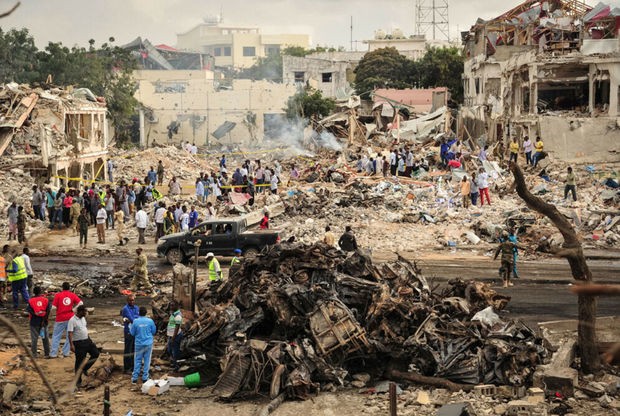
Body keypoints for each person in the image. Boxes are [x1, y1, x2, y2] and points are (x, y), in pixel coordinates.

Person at [68, 305, 100, 387]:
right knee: (79, 361)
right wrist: (71, 345)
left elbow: (84, 329)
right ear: (80, 311)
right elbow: (70, 333)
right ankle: (78, 381)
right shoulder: (72, 320)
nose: (85, 313)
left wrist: (89, 339)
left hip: (87, 340)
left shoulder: (83, 318)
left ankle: (85, 368)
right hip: (79, 343)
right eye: (84, 312)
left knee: (95, 353)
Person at [50, 282, 82, 358]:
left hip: (60, 318)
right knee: (69, 336)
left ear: (62, 287)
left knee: (56, 336)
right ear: (69, 288)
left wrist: (51, 312)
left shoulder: (58, 295)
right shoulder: (72, 295)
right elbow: (81, 303)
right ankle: (66, 352)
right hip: (70, 318)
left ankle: (53, 353)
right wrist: (74, 309)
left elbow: (54, 307)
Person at [130, 306, 157, 384]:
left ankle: (135, 378)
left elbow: (132, 333)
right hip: (148, 343)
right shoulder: (150, 321)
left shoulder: (135, 321)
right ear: (146, 313)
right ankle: (145, 377)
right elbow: (154, 331)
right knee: (147, 360)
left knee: (137, 360)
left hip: (139, 344)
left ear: (139, 313)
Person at [27, 286, 51, 358]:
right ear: (40, 292)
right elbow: (48, 310)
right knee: (45, 338)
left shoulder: (31, 300)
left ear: (34, 292)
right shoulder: (45, 300)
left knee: (34, 339)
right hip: (44, 322)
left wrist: (35, 314)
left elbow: (29, 310)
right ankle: (47, 354)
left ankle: (34, 354)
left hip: (34, 322)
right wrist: (44, 320)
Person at [121, 294, 139, 374]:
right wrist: (134, 318)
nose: (132, 302)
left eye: (133, 300)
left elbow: (137, 318)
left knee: (133, 349)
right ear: (127, 301)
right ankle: (127, 368)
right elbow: (133, 320)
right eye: (130, 300)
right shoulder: (125, 309)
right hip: (128, 331)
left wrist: (133, 318)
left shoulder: (136, 307)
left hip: (135, 331)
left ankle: (132, 366)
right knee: (128, 350)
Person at [167, 300, 183, 372]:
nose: (171, 307)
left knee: (175, 351)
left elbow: (177, 327)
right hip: (171, 335)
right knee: (170, 350)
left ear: (177, 306)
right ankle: (174, 363)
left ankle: (176, 367)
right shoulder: (173, 314)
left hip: (175, 336)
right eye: (170, 305)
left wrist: (173, 337)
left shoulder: (178, 315)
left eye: (173, 305)